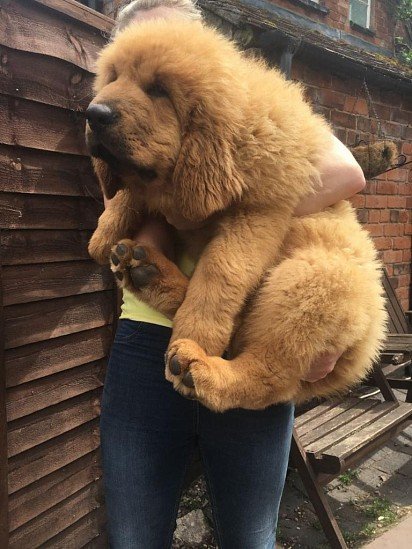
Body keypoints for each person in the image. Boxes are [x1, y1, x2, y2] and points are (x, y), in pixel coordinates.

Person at [99, 1, 366, 547]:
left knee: (249, 536)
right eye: (125, 69)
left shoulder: (247, 108)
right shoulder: (116, 121)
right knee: (133, 535)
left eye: (159, 81)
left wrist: (244, 201)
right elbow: (138, 226)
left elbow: (346, 172)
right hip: (145, 344)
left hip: (250, 333)